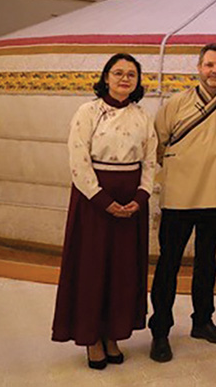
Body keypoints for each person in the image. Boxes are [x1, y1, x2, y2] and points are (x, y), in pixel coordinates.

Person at [52, 53, 157, 369]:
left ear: (138, 81)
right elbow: (77, 159)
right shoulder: (88, 111)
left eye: (131, 74)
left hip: (132, 202)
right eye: (118, 73)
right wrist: (102, 200)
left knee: (123, 271)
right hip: (94, 200)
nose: (125, 78)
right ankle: (91, 336)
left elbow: (151, 160)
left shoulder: (143, 115)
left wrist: (140, 197)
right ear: (106, 77)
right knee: (92, 268)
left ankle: (113, 332)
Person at [148, 43, 216, 362]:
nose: (214, 71)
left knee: (207, 262)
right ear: (198, 67)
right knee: (169, 263)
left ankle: (202, 321)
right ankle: (160, 330)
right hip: (178, 196)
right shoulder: (176, 103)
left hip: (215, 195)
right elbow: (156, 144)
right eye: (209, 65)